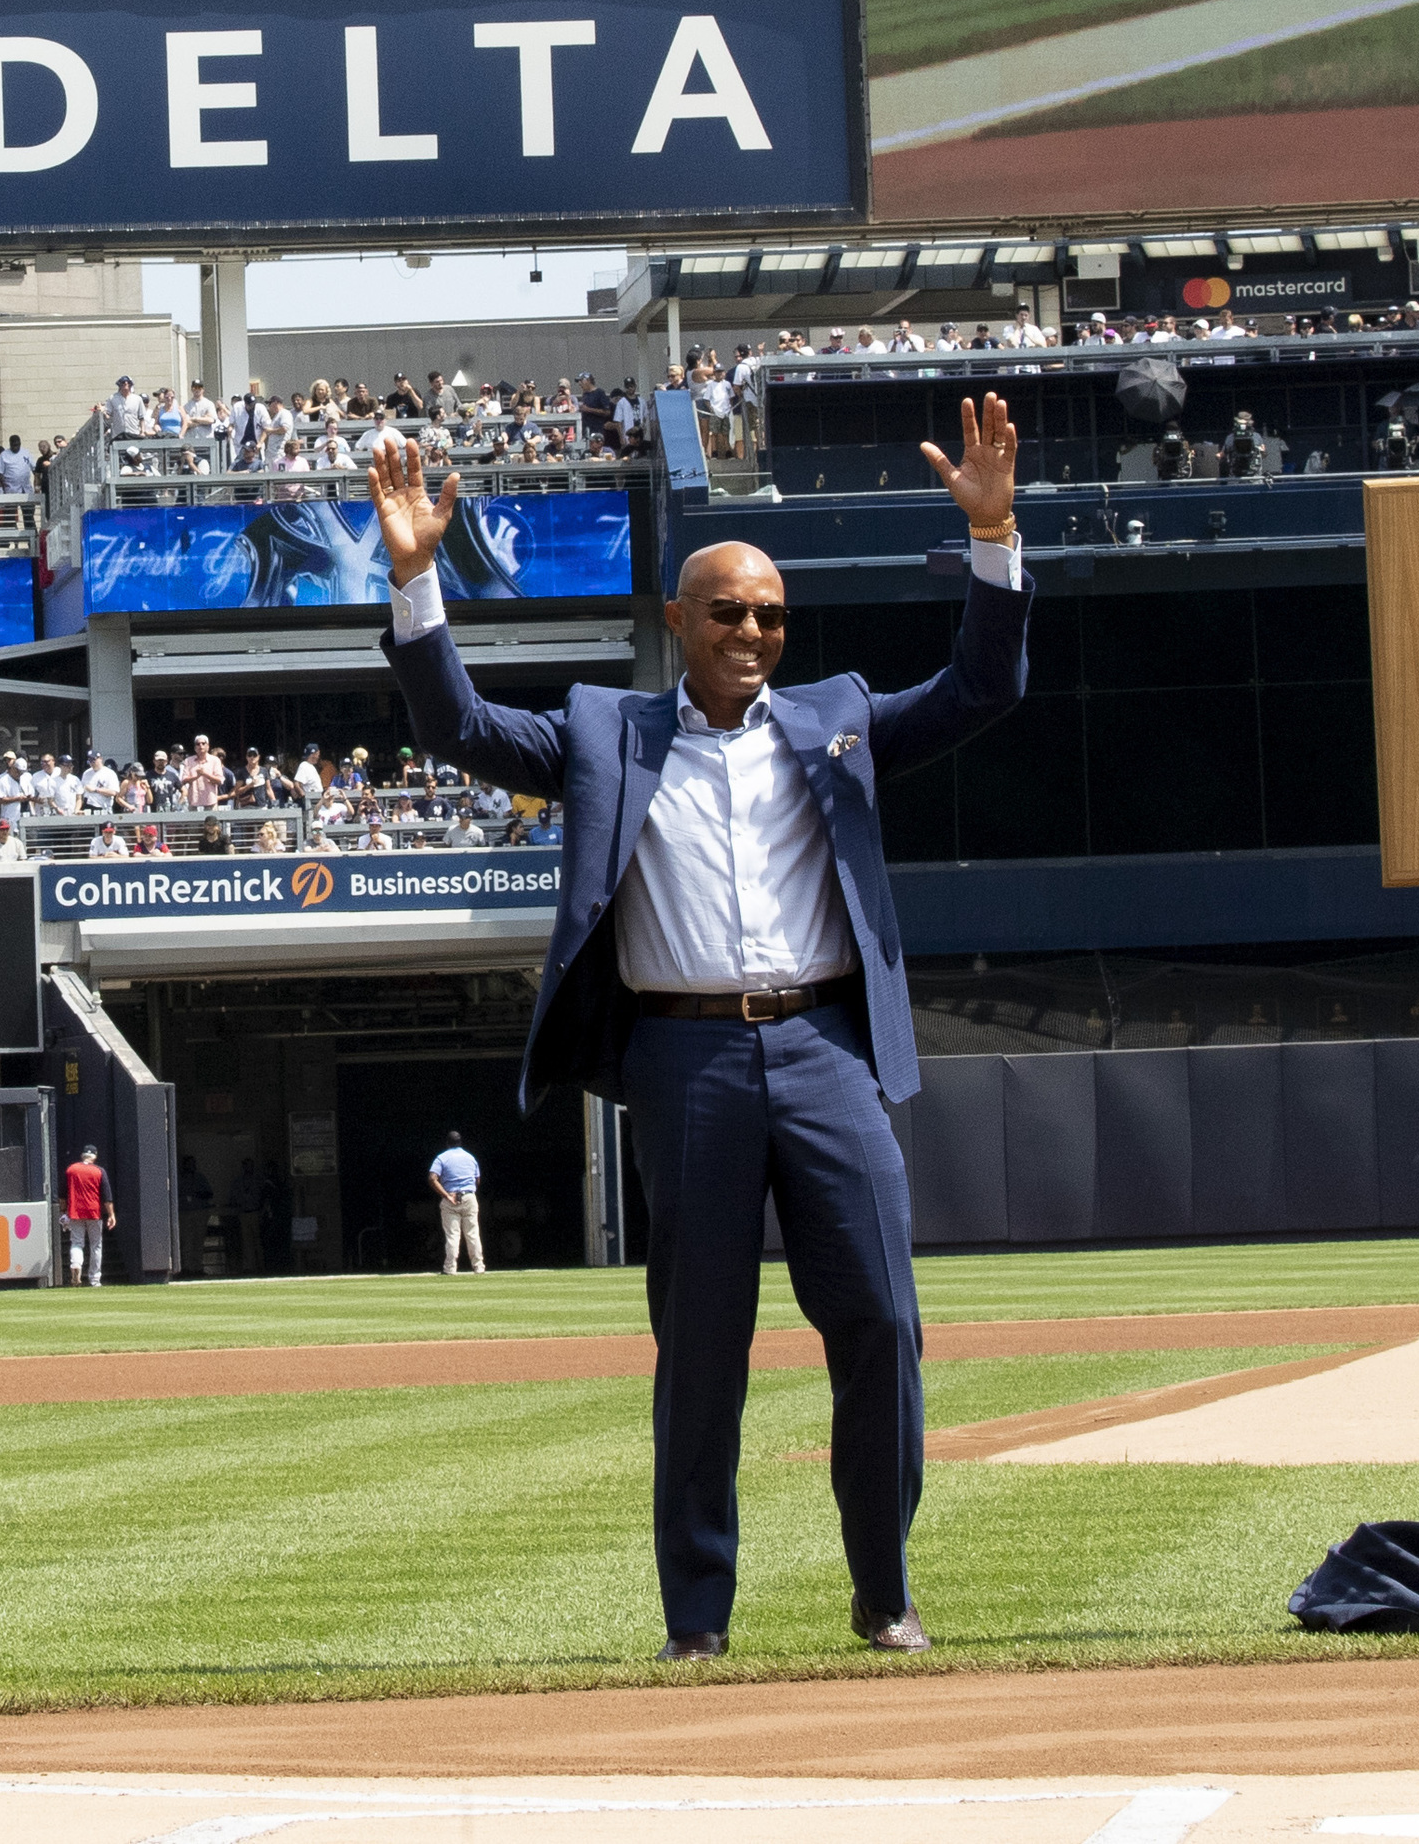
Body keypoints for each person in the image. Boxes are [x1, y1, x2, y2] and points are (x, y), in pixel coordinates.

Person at [367, 396, 1031, 1663]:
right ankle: (697, 1619)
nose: (750, 630)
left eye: (769, 613)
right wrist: (414, 577)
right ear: (676, 620)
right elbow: (457, 728)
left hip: (826, 1046)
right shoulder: (606, 733)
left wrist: (992, 538)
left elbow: (982, 688)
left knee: (882, 1324)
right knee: (701, 1349)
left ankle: (882, 1592)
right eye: (725, 610)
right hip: (686, 1060)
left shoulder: (835, 716)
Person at [429, 1128, 486, 1276]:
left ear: (447, 1143)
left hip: (451, 1197)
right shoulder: (470, 1157)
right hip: (469, 1196)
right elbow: (477, 1179)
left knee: (453, 1235)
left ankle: (450, 1268)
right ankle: (478, 1266)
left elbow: (432, 1178)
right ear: (460, 1142)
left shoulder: (442, 1158)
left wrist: (446, 1195)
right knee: (473, 1234)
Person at [61, 1144, 109, 1289]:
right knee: (96, 1245)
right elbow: (107, 1195)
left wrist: (63, 1212)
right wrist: (111, 1214)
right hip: (94, 1213)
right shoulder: (99, 1171)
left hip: (75, 1212)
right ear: (94, 1156)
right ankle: (95, 1279)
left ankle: (76, 1264)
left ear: (82, 1155)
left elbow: (62, 1194)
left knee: (77, 1243)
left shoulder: (71, 1169)